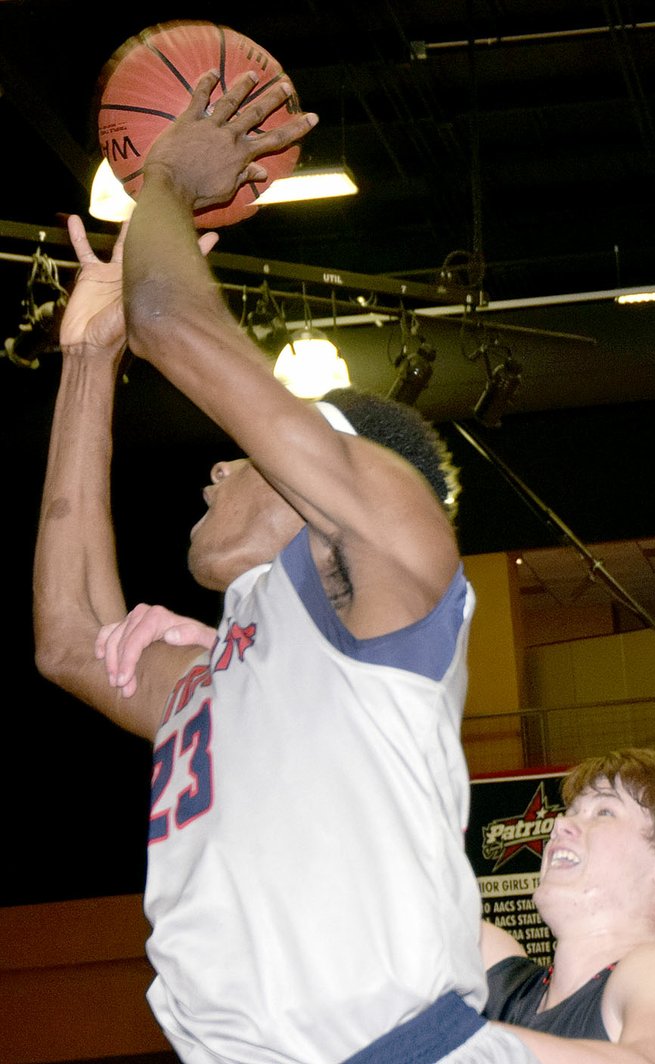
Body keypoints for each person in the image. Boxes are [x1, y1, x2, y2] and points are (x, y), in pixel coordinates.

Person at [33, 69, 537, 1062]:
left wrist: (168, 182)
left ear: (322, 465)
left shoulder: (388, 550)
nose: (220, 461)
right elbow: (68, 640)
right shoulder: (237, 666)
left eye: (256, 448)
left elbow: (179, 325)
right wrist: (89, 364)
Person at [479, 747, 655, 1063]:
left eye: (604, 812)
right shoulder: (508, 985)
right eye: (571, 811)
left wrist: (461, 1043)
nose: (559, 825)